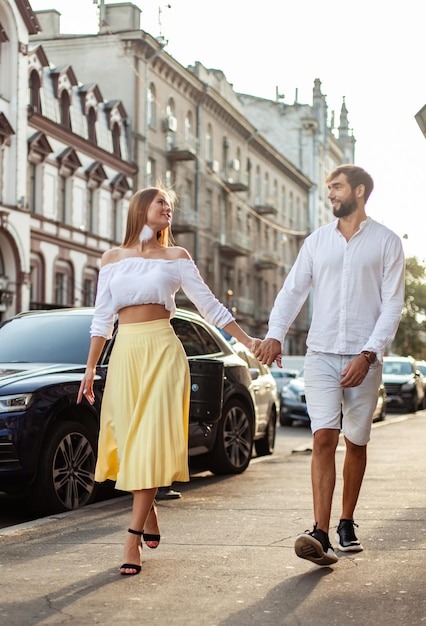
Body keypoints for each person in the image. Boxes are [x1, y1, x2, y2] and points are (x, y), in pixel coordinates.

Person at [77, 185, 256, 576]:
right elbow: (101, 319)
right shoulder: (112, 259)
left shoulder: (177, 257)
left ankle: (131, 538)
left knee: (151, 441)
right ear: (141, 208)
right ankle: (150, 508)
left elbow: (210, 306)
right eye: (162, 203)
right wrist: (90, 367)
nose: (168, 209)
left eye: (171, 205)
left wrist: (248, 341)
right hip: (125, 354)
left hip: (163, 353)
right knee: (128, 441)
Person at [254, 164, 405, 566]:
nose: (330, 195)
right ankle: (319, 532)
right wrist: (275, 333)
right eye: (329, 188)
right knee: (323, 437)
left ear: (359, 190)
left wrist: (369, 353)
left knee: (356, 440)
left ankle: (346, 522)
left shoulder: (387, 242)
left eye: (336, 187)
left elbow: (392, 305)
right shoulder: (317, 242)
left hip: (364, 357)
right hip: (320, 352)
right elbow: (291, 292)